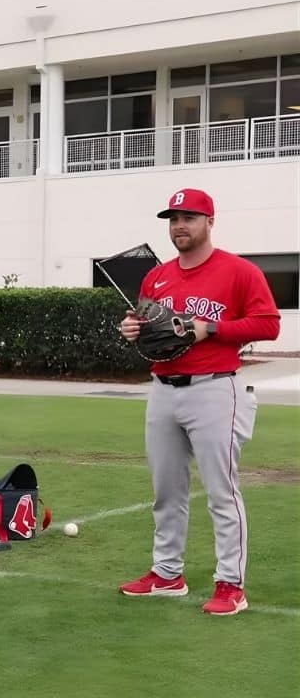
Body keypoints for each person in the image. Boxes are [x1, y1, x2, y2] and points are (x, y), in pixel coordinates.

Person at [117, 188, 280, 616]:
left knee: (221, 491)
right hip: (163, 388)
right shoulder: (157, 277)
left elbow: (269, 324)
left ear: (209, 221)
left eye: (188, 217)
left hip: (216, 388)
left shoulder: (239, 271)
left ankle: (231, 585)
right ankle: (167, 574)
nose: (179, 226)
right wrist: (134, 330)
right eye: (173, 219)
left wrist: (212, 328)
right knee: (166, 491)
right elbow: (151, 331)